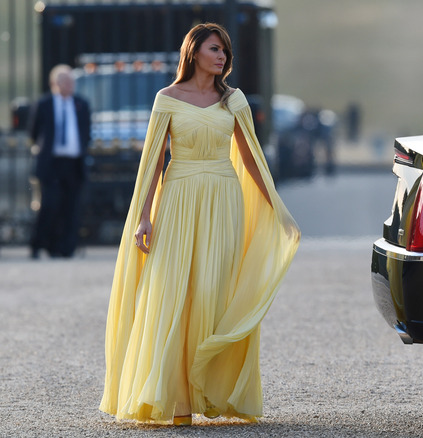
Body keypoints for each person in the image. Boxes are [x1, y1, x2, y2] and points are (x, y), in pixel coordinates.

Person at [99, 23, 300, 426]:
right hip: (176, 199)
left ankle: (211, 393)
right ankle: (176, 403)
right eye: (214, 48)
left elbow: (252, 159)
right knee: (173, 291)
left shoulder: (234, 100)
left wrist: (277, 209)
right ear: (194, 53)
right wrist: (143, 216)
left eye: (225, 50)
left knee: (212, 290)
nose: (222, 56)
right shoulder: (166, 99)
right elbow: (153, 161)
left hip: (223, 200)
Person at [29, 64, 91, 258]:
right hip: (52, 164)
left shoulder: (82, 104)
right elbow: (33, 131)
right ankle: (40, 245)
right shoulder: (44, 103)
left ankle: (66, 248)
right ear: (55, 83)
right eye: (66, 81)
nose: (71, 85)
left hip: (73, 163)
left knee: (71, 207)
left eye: (72, 81)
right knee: (49, 205)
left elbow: (86, 132)